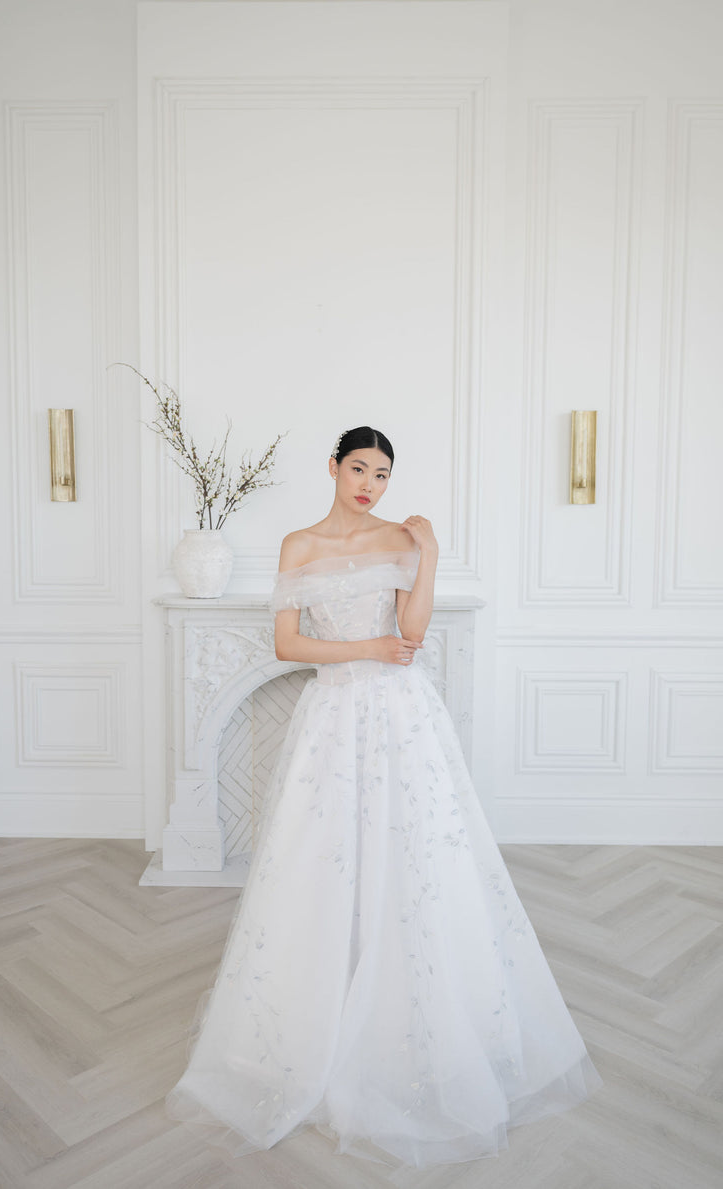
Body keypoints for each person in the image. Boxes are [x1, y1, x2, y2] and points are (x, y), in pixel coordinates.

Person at [166, 426, 603, 1169]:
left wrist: (427, 555)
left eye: (384, 473)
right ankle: (319, 1014)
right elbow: (286, 643)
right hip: (334, 713)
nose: (370, 483)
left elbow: (412, 630)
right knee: (322, 862)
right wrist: (364, 650)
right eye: (360, 467)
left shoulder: (401, 537)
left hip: (403, 716)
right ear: (333, 467)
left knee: (420, 859)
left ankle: (418, 1010)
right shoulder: (298, 545)